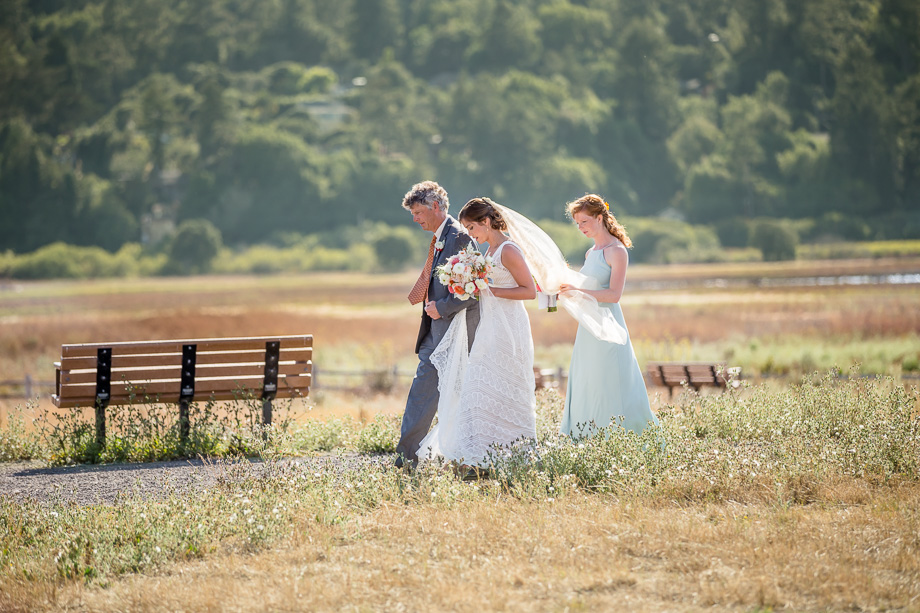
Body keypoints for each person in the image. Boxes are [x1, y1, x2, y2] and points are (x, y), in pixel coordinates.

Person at [418, 198, 537, 472]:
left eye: (472, 228)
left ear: (486, 222)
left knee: (506, 388)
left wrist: (489, 289)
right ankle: (482, 456)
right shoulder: (490, 250)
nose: (471, 235)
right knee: (481, 389)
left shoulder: (508, 250)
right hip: (490, 326)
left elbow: (529, 291)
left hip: (508, 327)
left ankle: (514, 454)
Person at [558, 194, 660, 437]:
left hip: (609, 327)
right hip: (588, 327)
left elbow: (614, 295)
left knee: (611, 382)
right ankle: (585, 437)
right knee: (588, 381)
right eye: (577, 224)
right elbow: (584, 290)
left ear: (600, 217)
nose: (580, 228)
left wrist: (577, 290)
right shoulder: (590, 253)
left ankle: (620, 438)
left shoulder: (617, 251)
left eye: (584, 222)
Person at [396, 181, 480, 469]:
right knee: (421, 392)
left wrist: (441, 308)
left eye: (419, 212)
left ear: (436, 206)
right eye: (413, 215)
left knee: (456, 398)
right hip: (436, 335)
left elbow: (474, 290)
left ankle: (464, 459)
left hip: (455, 334)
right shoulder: (441, 238)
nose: (416, 219)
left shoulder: (459, 237)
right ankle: (405, 458)